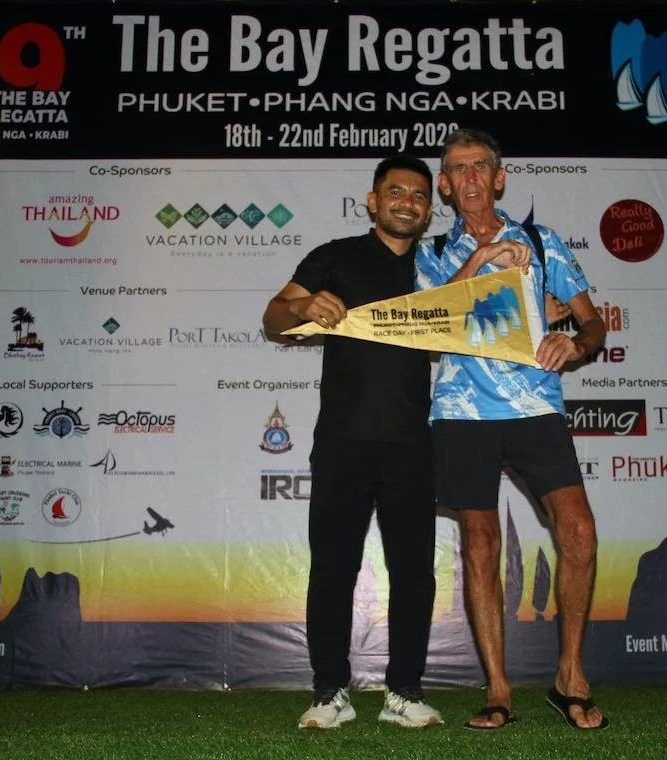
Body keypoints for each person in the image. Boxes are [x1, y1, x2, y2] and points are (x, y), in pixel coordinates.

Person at [415, 129, 610, 732]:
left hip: (535, 407)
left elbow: (593, 323)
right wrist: (482, 260)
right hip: (463, 413)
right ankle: (498, 689)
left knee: (578, 531)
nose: (470, 177)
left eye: (480, 166)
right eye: (458, 169)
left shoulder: (543, 242)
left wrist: (574, 344)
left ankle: (569, 675)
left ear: (498, 179)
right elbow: (432, 325)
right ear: (445, 186)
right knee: (481, 545)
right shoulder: (429, 252)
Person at [262, 154, 443, 730]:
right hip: (342, 443)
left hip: (412, 444)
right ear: (373, 200)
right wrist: (302, 305)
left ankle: (404, 691)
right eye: (396, 192)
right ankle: (329, 692)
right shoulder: (334, 256)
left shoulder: (439, 266)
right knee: (333, 570)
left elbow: (483, 316)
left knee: (414, 573)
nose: (407, 203)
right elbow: (272, 318)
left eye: (419, 196)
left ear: (429, 210)